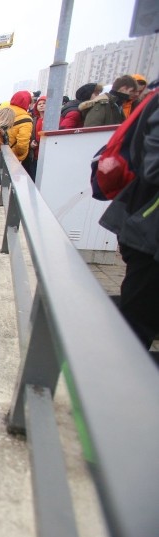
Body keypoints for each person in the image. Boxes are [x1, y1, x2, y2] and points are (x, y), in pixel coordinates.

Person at [98, 85, 159, 350]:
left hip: (142, 222)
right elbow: (153, 167)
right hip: (147, 228)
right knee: (137, 322)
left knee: (138, 316)